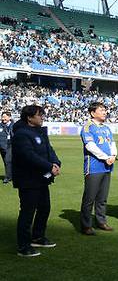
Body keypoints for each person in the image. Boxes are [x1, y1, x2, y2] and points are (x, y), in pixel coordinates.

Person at [12, 105, 61, 257]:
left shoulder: (40, 131)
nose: (42, 117)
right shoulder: (21, 134)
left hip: (42, 178)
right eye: (40, 115)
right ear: (29, 117)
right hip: (28, 179)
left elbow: (49, 150)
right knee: (27, 212)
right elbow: (29, 155)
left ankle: (38, 237)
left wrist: (56, 163)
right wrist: (49, 166)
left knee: (44, 208)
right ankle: (24, 246)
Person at [80, 102, 117, 236]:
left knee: (102, 197)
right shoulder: (88, 127)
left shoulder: (106, 128)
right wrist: (105, 157)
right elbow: (90, 146)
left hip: (107, 167)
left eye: (105, 110)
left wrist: (113, 155)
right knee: (89, 198)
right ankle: (86, 225)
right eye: (101, 110)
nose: (104, 112)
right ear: (92, 113)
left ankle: (101, 221)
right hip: (94, 167)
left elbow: (112, 143)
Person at [1, 111, 14, 184]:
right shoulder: (0, 125)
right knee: (6, 162)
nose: (3, 118)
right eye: (2, 117)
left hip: (10, 146)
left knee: (7, 161)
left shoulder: (14, 125)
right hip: (2, 146)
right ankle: (11, 175)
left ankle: (8, 177)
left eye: (4, 117)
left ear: (9, 117)